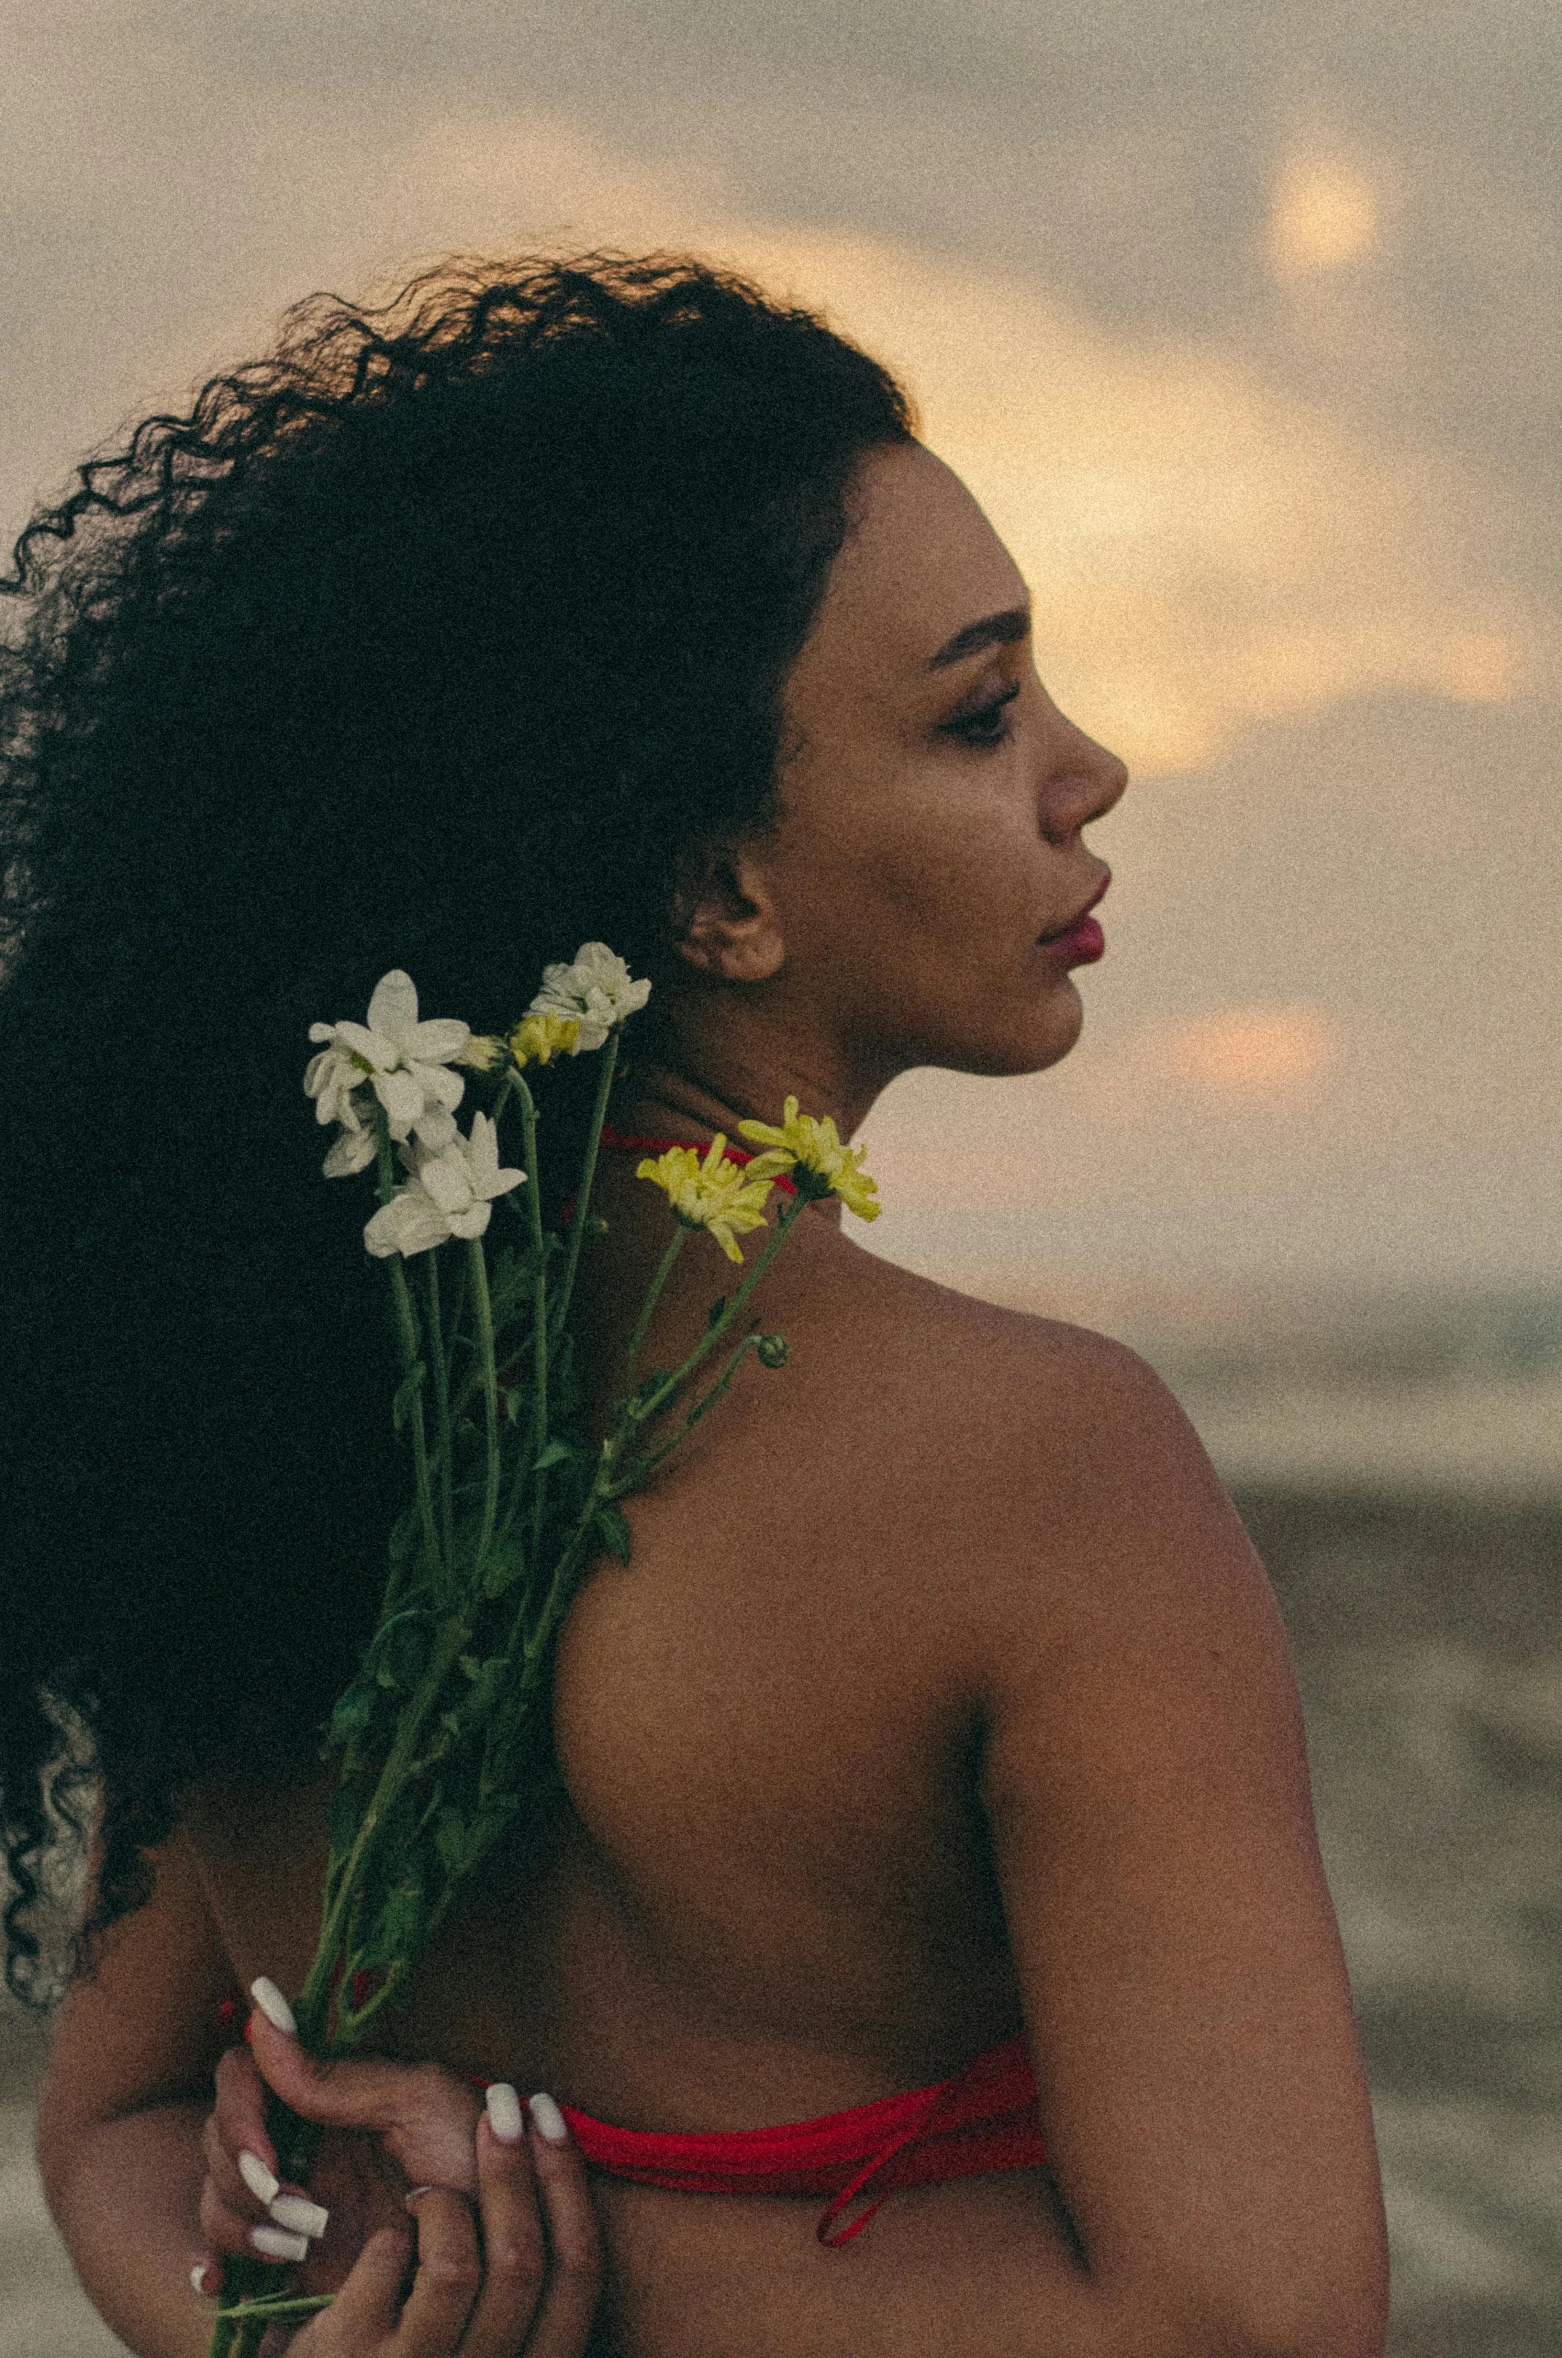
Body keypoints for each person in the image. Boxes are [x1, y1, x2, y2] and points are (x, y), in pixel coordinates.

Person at [0, 253, 1388, 2357]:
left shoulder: (265, 1402)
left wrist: (347, 2297)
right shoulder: (1046, 1468)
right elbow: (1256, 2326)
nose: (1085, 773)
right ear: (712, 893)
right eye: (979, 710)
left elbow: (114, 2128)